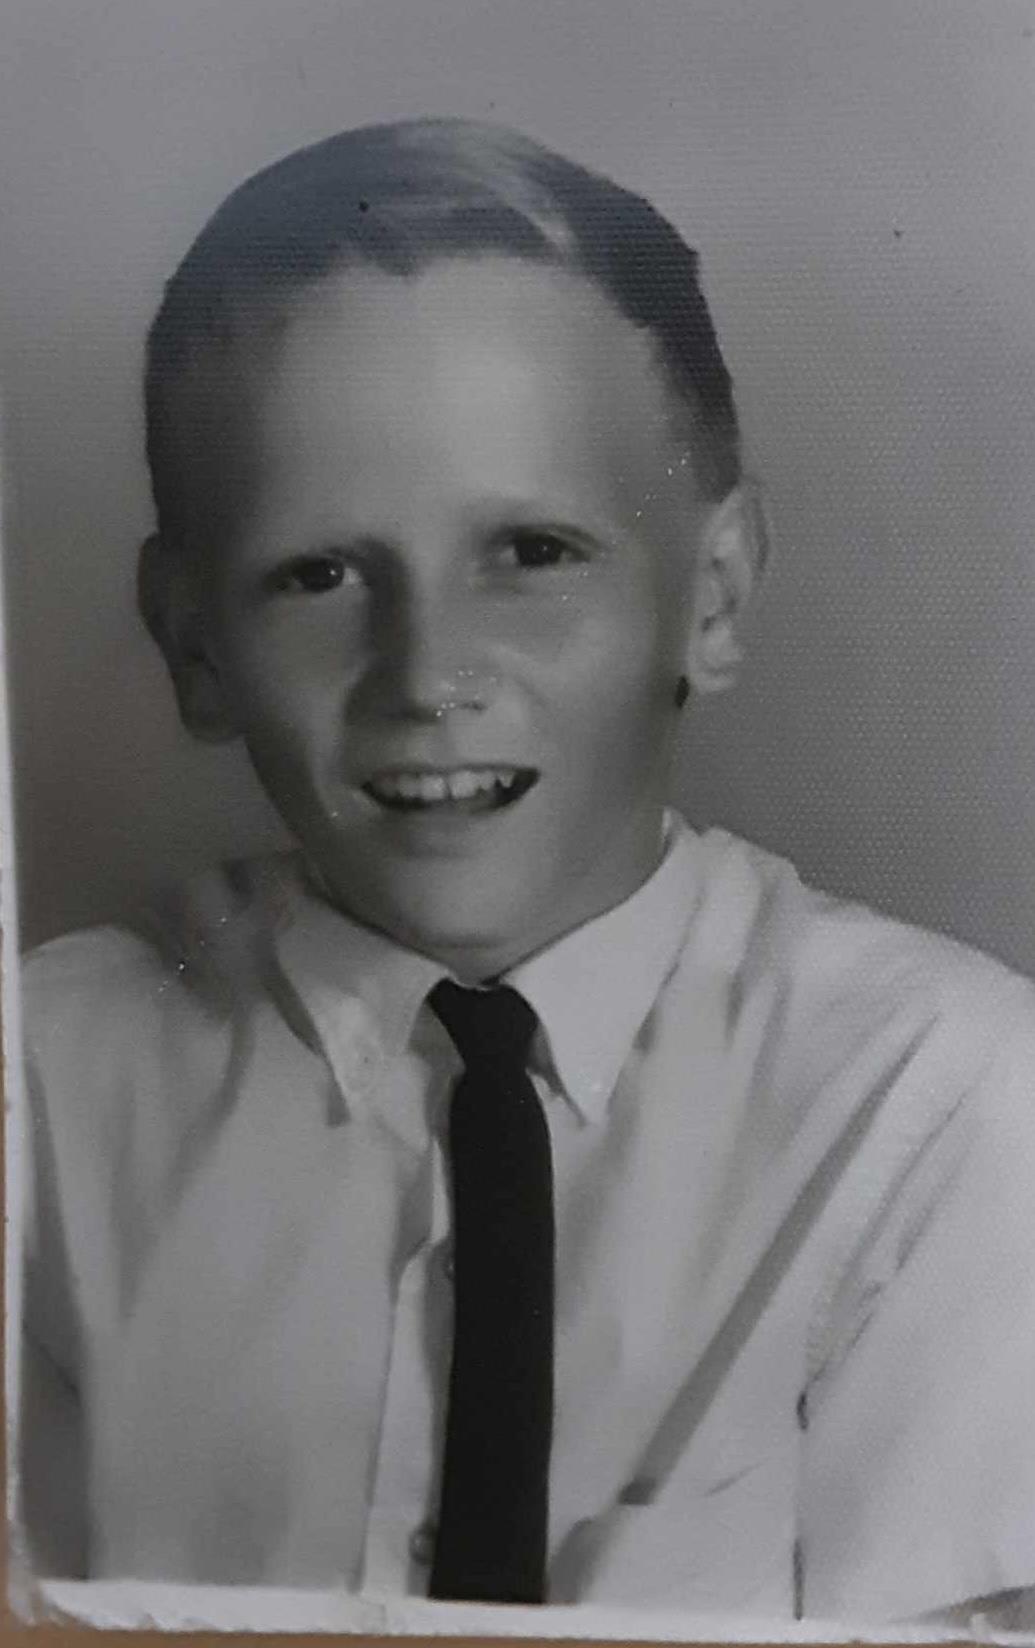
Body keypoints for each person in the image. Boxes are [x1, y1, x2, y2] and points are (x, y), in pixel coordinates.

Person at [17, 118, 1035, 1624]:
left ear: (718, 591)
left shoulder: (938, 1104)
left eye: (533, 553)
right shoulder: (40, 1090)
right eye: (319, 574)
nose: (427, 675)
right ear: (190, 641)